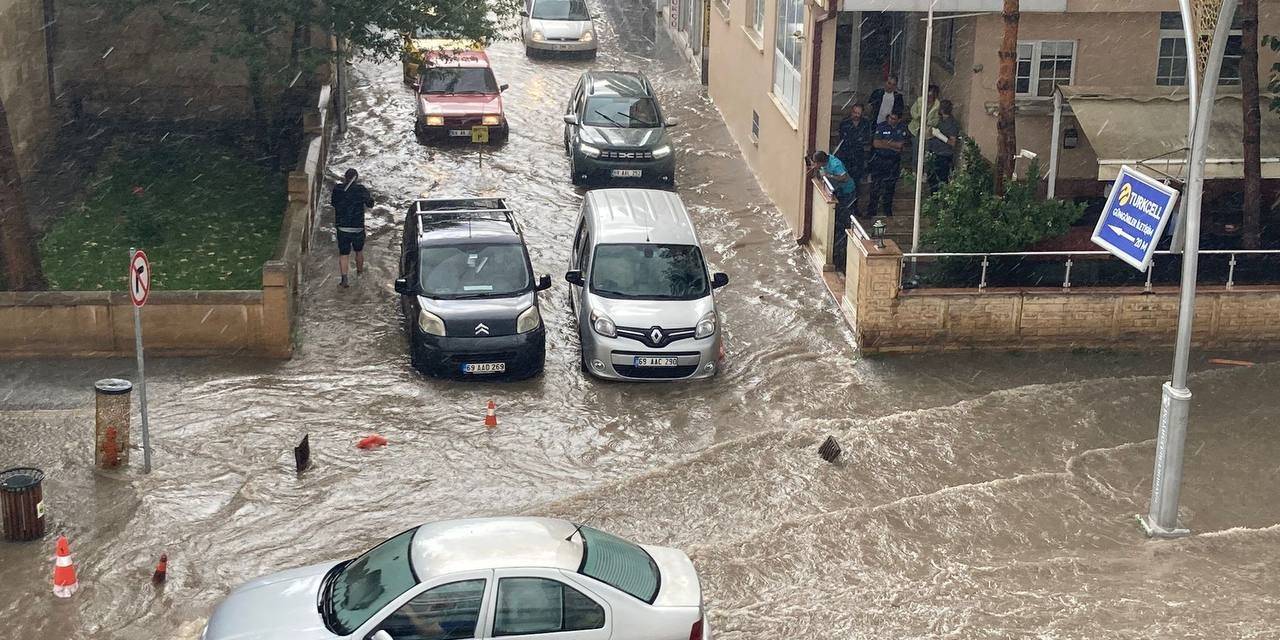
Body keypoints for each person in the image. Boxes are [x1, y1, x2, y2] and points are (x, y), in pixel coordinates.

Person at [808, 150, 856, 271]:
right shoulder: (823, 164)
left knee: (845, 219)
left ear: (822, 162)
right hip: (838, 191)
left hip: (847, 192)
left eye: (816, 164)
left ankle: (845, 235)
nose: (815, 166)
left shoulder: (835, 165)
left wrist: (829, 176)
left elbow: (844, 177)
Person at [331, 168, 374, 288]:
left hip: (342, 227)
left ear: (345, 177)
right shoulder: (361, 189)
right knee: (359, 251)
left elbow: (334, 203)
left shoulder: (338, 189)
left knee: (344, 254)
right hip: (358, 227)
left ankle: (344, 279)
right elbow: (370, 203)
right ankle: (360, 274)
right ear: (356, 178)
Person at [867, 111, 910, 217]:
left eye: (894, 118)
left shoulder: (901, 128)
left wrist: (885, 142)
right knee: (875, 186)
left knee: (890, 187)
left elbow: (900, 146)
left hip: (893, 161)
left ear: (898, 120)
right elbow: (876, 143)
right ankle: (871, 211)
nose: (891, 120)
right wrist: (891, 145)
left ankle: (887, 210)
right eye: (890, 118)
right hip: (880, 159)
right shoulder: (881, 126)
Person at [836, 103, 873, 213]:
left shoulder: (865, 123)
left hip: (858, 157)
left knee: (856, 183)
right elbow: (845, 138)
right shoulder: (845, 123)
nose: (856, 115)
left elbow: (866, 138)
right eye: (855, 112)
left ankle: (854, 207)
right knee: (844, 181)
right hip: (846, 155)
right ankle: (844, 206)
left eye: (859, 113)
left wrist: (857, 141)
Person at [927, 99, 962, 191]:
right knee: (932, 179)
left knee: (941, 181)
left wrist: (940, 135)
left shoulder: (952, 124)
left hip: (943, 155)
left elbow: (952, 142)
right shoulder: (940, 121)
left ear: (942, 110)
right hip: (935, 153)